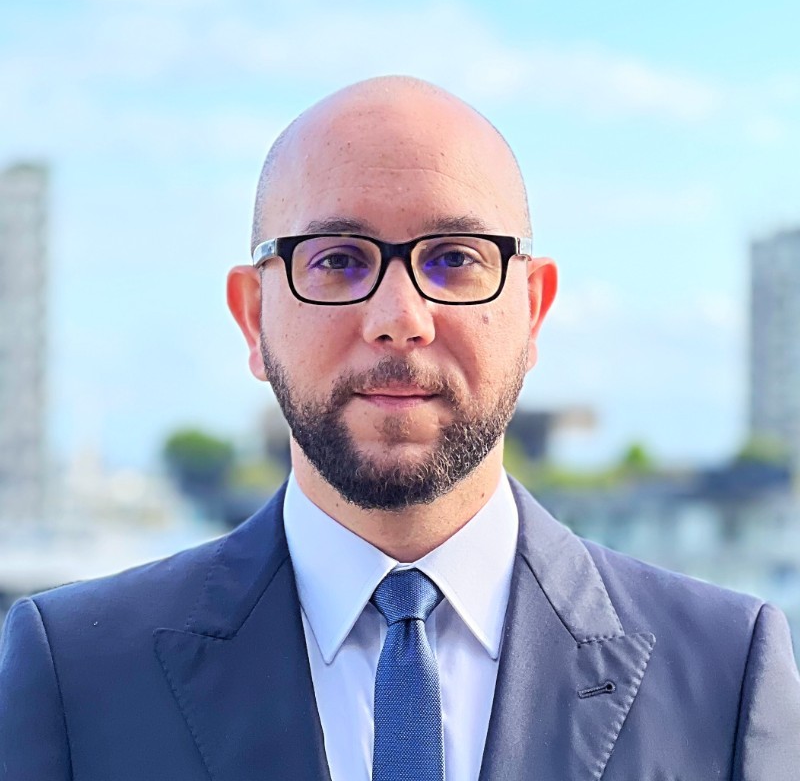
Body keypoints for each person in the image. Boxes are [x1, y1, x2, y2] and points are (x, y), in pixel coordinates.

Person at [1, 76, 799, 781]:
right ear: (253, 318)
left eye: (454, 258)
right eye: (336, 260)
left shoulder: (727, 671)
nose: (400, 318)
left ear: (532, 312)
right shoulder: (75, 674)